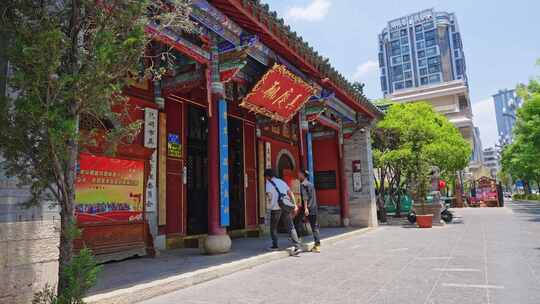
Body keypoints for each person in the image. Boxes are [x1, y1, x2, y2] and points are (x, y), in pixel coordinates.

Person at [264, 168, 302, 256]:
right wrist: (295, 205)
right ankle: (297, 246)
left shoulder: (268, 183)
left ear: (267, 176)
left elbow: (269, 196)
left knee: (273, 227)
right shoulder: (281, 181)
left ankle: (275, 245)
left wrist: (269, 204)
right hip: (285, 206)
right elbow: (290, 192)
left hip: (276, 208)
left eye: (265, 177)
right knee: (290, 226)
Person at [298, 169, 321, 253]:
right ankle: (317, 245)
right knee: (315, 227)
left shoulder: (303, 185)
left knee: (297, 223)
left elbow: (305, 197)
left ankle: (298, 241)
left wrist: (305, 208)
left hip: (307, 208)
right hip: (314, 207)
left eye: (299, 173)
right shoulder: (311, 184)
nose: (298, 175)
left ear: (303, 175)